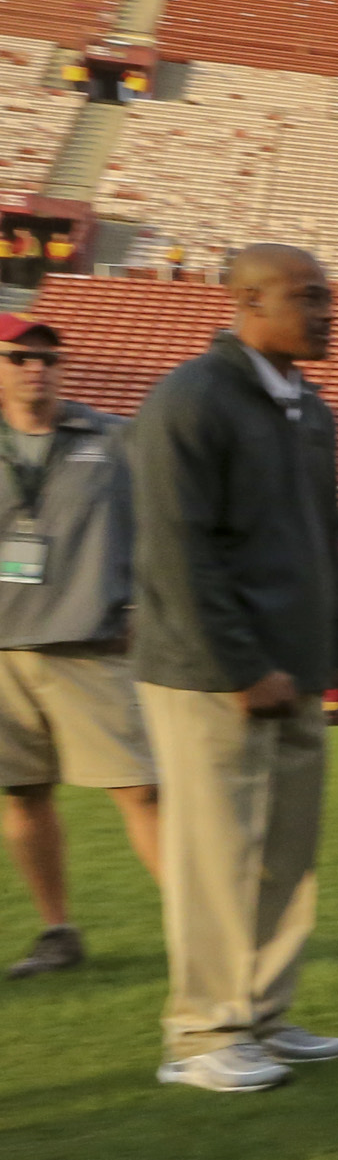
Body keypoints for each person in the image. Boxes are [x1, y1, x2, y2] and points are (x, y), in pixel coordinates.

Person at [130, 244, 338, 1092]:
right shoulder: (192, 399)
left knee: (285, 854)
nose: (328, 312)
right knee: (216, 856)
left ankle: (261, 1012)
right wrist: (237, 667)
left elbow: (324, 542)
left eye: (328, 298)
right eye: (310, 298)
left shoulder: (310, 408)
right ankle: (199, 1034)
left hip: (295, 666)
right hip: (210, 677)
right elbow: (177, 553)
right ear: (250, 303)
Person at [1, 313, 161, 978]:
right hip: (4, 649)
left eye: (47, 356)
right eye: (19, 357)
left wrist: (143, 605)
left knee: (142, 793)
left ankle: (206, 926)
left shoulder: (112, 437)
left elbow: (166, 523)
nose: (36, 367)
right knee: (21, 795)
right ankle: (57, 929)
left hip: (89, 643)